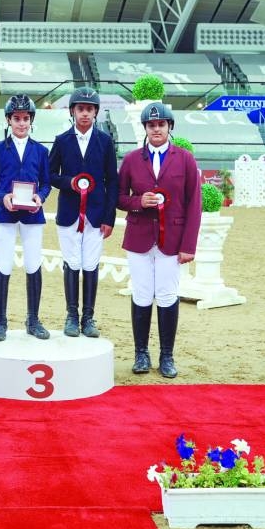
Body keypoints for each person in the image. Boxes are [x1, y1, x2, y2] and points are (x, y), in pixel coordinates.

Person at [117, 102, 201, 377]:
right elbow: (118, 198)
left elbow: (193, 204)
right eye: (151, 125)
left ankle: (167, 356)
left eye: (161, 125)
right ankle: (141, 353)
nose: (156, 129)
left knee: (166, 294)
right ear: (145, 128)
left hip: (172, 239)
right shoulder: (131, 160)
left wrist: (189, 245)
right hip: (139, 237)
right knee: (141, 294)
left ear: (169, 127)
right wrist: (138, 201)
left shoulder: (185, 159)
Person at [48, 87, 118, 338]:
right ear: (73, 112)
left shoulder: (105, 142)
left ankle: (88, 317)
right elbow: (50, 175)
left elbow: (113, 180)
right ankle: (71, 315)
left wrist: (109, 217)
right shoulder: (62, 141)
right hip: (69, 213)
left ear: (95, 112)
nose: (85, 114)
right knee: (72, 263)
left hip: (97, 215)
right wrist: (70, 183)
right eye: (81, 109)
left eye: (89, 109)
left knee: (90, 264)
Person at [0, 94, 52, 342]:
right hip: (6, 214)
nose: (21, 123)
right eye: (17, 119)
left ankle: (33, 319)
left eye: (25, 119)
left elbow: (46, 183)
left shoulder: (41, 151)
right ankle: (0, 321)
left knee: (33, 264)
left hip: (32, 216)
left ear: (31, 121)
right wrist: (2, 197)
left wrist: (40, 197)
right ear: (9, 120)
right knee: (4, 264)